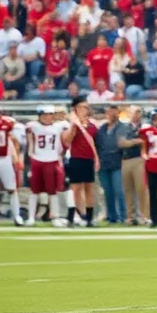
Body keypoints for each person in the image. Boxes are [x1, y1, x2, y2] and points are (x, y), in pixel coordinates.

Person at [26, 105, 69, 225]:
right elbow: (30, 142)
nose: (47, 118)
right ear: (39, 116)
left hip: (53, 160)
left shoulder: (60, 126)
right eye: (44, 115)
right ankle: (31, 217)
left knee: (53, 191)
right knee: (34, 191)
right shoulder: (33, 126)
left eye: (49, 115)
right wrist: (31, 156)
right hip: (37, 160)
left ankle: (55, 217)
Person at [62, 97, 100, 227]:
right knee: (75, 189)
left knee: (89, 188)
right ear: (76, 109)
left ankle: (89, 217)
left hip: (88, 159)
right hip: (76, 158)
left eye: (86, 107)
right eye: (83, 107)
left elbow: (94, 142)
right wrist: (74, 126)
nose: (85, 110)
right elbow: (67, 141)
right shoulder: (72, 124)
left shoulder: (91, 125)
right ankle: (73, 215)